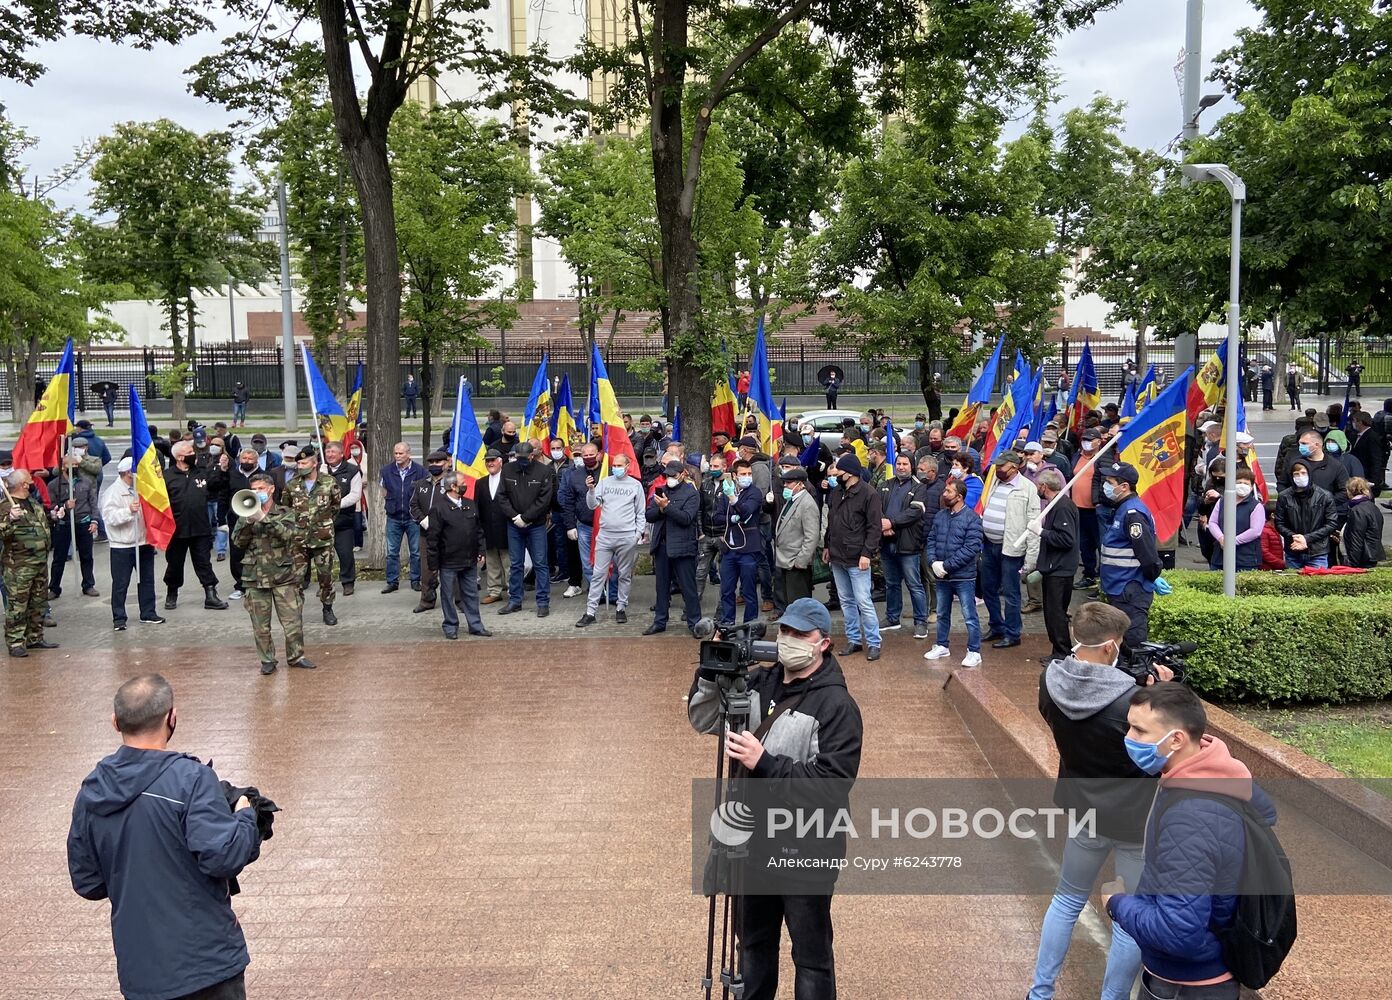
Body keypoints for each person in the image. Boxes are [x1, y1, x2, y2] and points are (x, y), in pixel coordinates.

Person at [686, 597, 862, 1000]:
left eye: (801, 634)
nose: (789, 640)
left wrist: (764, 763)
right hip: (751, 847)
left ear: (824, 644)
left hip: (807, 850)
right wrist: (712, 672)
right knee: (753, 947)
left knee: (812, 958)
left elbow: (832, 786)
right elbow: (705, 720)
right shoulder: (759, 683)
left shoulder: (838, 706)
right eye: (784, 630)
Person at [67, 674, 262, 1000]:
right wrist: (245, 816)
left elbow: (87, 882)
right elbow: (223, 857)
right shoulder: (192, 780)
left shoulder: (92, 792)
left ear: (115, 722)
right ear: (172, 717)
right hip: (206, 965)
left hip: (142, 971)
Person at [1105, 683, 1279, 1000]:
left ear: (1176, 740)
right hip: (1210, 972)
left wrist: (1116, 902)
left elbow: (1177, 932)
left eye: (1139, 731)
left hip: (1184, 986)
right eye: (1129, 726)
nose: (1128, 739)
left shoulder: (1189, 818)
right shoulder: (1218, 775)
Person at [1031, 602, 1165, 1000]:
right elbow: (1156, 762)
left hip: (1083, 808)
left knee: (1067, 899)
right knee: (1129, 914)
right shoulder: (1131, 704)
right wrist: (1159, 696)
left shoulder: (1049, 681)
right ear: (1111, 647)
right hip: (1133, 819)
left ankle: (1039, 992)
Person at [232, 472, 313, 673]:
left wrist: (264, 518)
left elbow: (288, 535)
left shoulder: (285, 511)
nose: (257, 492)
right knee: (261, 625)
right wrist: (249, 523)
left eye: (260, 488)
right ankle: (267, 660)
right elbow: (238, 542)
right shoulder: (245, 513)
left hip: (284, 575)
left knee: (292, 622)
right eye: (254, 489)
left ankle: (296, 656)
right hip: (255, 577)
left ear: (271, 489)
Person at [823, 453, 883, 661]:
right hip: (838, 555)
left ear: (849, 473)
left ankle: (874, 642)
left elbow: (874, 528)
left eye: (839, 470)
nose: (835, 473)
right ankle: (854, 640)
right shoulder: (837, 491)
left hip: (858, 556)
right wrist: (827, 546)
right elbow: (832, 521)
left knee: (863, 601)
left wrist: (867, 553)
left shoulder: (869, 494)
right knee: (846, 601)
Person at [576, 451, 645, 626]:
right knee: (598, 574)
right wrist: (591, 490)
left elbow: (640, 512)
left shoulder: (635, 485)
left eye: (620, 466)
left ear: (627, 467)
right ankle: (590, 612)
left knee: (624, 574)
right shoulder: (605, 482)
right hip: (605, 537)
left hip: (626, 537)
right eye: (614, 466)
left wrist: (637, 534)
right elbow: (592, 505)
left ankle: (621, 608)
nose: (616, 468)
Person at [979, 450, 1040, 650]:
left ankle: (1013, 633)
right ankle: (996, 625)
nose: (997, 469)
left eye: (1002, 466)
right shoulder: (995, 482)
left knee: (1011, 593)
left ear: (1014, 468)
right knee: (988, 588)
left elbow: (1033, 523)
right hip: (989, 545)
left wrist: (1031, 557)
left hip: (1011, 550)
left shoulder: (1028, 488)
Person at [1098, 462, 1160, 650]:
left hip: (1130, 588)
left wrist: (1150, 578)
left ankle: (1137, 677)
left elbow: (1147, 555)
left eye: (1110, 482)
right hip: (1120, 586)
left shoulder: (1132, 513)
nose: (1105, 486)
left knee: (1132, 643)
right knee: (1120, 641)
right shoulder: (1122, 508)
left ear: (1124, 486)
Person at [162, 441, 230, 611]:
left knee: (204, 563)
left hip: (200, 528)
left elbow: (217, 485)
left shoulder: (201, 473)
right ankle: (172, 592)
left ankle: (211, 595)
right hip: (176, 530)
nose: (194, 454)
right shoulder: (167, 476)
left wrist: (222, 470)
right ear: (179, 457)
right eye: (189, 451)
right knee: (174, 564)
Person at [922, 477, 982, 666]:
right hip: (942, 575)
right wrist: (932, 562)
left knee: (969, 615)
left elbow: (971, 549)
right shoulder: (940, 516)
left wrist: (946, 566)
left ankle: (974, 651)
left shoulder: (972, 518)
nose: (944, 494)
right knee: (942, 612)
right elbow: (931, 540)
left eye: (948, 492)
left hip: (963, 576)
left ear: (960, 496)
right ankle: (942, 645)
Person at [427, 470, 492, 639]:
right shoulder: (438, 508)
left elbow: (478, 530)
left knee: (471, 593)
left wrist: (481, 550)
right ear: (453, 487)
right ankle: (450, 626)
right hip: (448, 561)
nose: (465, 485)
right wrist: (433, 565)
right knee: (448, 595)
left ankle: (475, 625)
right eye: (462, 483)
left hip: (469, 559)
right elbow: (433, 538)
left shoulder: (470, 504)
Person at [101, 458, 165, 630]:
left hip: (143, 542)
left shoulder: (142, 489)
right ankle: (119, 618)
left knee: (147, 579)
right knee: (121, 583)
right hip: (122, 545)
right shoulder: (113, 492)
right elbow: (109, 517)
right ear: (129, 473)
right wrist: (128, 511)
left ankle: (148, 612)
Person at [0, 469, 58, 657]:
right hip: (19, 565)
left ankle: (34, 637)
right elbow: (2, 533)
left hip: (40, 562)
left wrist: (55, 516)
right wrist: (9, 519)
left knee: (38, 602)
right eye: (28, 480)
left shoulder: (32, 503)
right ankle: (15, 641)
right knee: (18, 605)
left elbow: (41, 524)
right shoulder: (6, 507)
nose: (30, 483)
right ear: (22, 484)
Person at [283, 444, 342, 626]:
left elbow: (335, 507)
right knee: (297, 578)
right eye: (299, 463)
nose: (300, 466)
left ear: (314, 463)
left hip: (322, 539)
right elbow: (285, 508)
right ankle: (296, 612)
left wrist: (321, 524)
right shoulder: (292, 485)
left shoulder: (329, 482)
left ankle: (327, 608)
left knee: (325, 577)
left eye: (304, 463)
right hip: (299, 540)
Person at [495, 442, 555, 617]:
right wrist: (515, 517)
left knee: (541, 564)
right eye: (518, 457)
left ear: (532, 456)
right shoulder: (507, 470)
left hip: (535, 525)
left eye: (524, 458)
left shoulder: (543, 471)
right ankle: (515, 601)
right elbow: (502, 496)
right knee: (516, 564)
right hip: (514, 525)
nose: (521, 461)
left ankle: (543, 602)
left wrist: (526, 518)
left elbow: (544, 499)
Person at [644, 460, 701, 635]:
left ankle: (694, 623)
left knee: (688, 588)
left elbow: (686, 518)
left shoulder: (691, 493)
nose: (669, 478)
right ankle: (660, 621)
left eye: (673, 475)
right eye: (667, 475)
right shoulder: (663, 490)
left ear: (683, 474)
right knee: (661, 588)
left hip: (683, 548)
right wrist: (661, 509)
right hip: (662, 547)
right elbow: (649, 515)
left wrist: (667, 507)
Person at [878, 453, 930, 639]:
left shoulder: (920, 487)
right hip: (886, 542)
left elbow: (914, 512)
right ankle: (892, 618)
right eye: (898, 463)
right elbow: (875, 507)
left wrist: (891, 523)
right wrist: (883, 524)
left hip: (908, 544)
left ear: (912, 466)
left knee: (914, 585)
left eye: (905, 464)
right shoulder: (885, 485)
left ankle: (921, 622)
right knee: (891, 584)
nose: (900, 467)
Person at [1032, 467, 1078, 664]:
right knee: (1052, 612)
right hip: (1055, 567)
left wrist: (1041, 532)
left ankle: (1062, 652)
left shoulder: (1062, 507)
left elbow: (1067, 539)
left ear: (1044, 486)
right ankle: (1058, 650)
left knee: (1056, 612)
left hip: (1060, 569)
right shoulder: (1056, 505)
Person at [713, 457, 765, 626]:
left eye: (749, 473)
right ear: (734, 475)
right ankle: (728, 622)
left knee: (749, 591)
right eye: (743, 474)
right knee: (727, 590)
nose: (747, 476)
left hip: (748, 549)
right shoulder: (726, 491)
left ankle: (750, 625)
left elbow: (747, 512)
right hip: (729, 548)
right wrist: (732, 517)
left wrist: (734, 501)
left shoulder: (754, 492)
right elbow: (717, 516)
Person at [380, 442, 427, 593]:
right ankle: (392, 581)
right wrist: (391, 504)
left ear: (408, 454)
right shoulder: (386, 471)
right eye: (396, 453)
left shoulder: (419, 471)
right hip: (393, 516)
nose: (398, 456)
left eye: (401, 453)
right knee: (392, 552)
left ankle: (415, 580)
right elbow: (384, 490)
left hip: (413, 518)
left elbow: (423, 493)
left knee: (416, 552)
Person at [1274, 459, 1337, 570]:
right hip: (1293, 550)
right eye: (1296, 474)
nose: (1300, 477)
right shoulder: (1284, 497)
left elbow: (1331, 524)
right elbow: (1279, 523)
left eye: (1303, 473)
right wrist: (1294, 537)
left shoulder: (1324, 496)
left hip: (1317, 552)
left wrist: (1307, 539)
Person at [410, 450, 452, 613]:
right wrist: (422, 520)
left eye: (438, 463)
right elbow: (413, 506)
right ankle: (427, 600)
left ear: (446, 463)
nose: (434, 466)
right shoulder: (421, 484)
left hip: (449, 533)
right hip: (426, 534)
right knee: (427, 569)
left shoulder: (452, 483)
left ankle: (458, 600)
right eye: (431, 463)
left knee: (452, 568)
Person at [773, 465, 820, 609]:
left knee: (799, 604)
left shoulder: (807, 504)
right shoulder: (791, 500)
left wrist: (801, 561)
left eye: (789, 483)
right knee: (790, 602)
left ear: (800, 484)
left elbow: (811, 536)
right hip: (785, 560)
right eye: (785, 482)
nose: (785, 486)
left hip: (796, 562)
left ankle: (802, 631)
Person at [1206, 467, 1265, 571]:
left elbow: (1255, 531)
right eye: (1239, 482)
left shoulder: (1256, 506)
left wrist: (1233, 542)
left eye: (1246, 483)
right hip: (1220, 557)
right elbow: (1212, 522)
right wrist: (1221, 538)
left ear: (1251, 487)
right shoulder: (1222, 502)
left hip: (1245, 559)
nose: (1242, 485)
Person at [322, 441, 362, 596]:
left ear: (341, 454)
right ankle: (324, 584)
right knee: (323, 556)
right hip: (322, 522)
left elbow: (355, 495)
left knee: (345, 554)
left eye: (333, 452)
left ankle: (348, 582)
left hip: (343, 521)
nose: (329, 455)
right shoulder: (321, 470)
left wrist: (336, 504)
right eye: (327, 452)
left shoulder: (352, 471)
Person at [1072, 428, 1102, 588]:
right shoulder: (1077, 456)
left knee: (1100, 544)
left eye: (1090, 440)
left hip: (1096, 510)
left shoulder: (1103, 458)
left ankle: (1103, 577)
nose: (1087, 443)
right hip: (1078, 508)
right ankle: (1089, 575)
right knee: (1085, 545)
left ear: (1099, 441)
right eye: (1084, 439)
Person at [1341, 477, 1383, 568]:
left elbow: (1357, 538)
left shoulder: (1357, 510)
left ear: (1349, 491)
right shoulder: (1373, 507)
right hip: (1372, 554)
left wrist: (1352, 564)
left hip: (1363, 558)